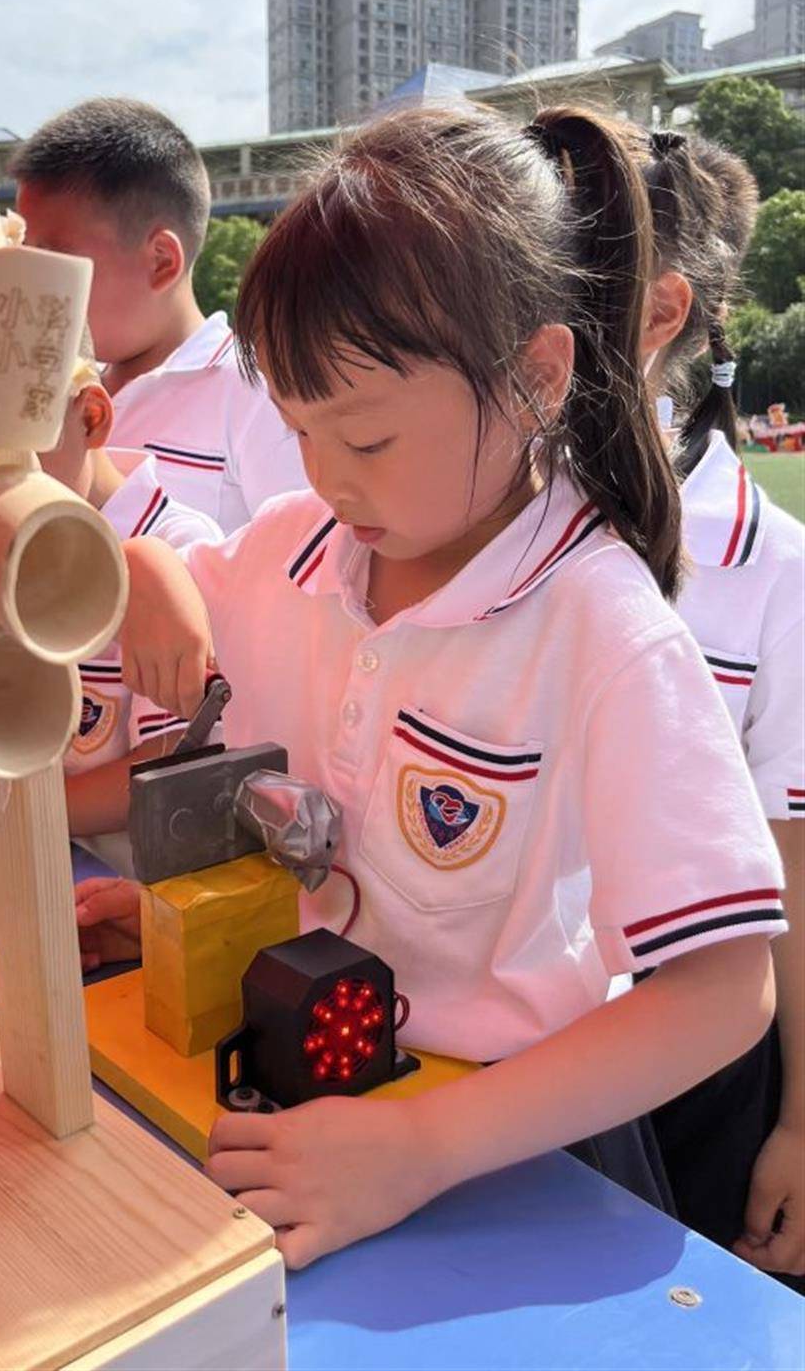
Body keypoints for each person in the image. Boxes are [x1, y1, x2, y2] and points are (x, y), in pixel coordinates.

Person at [75, 104, 785, 1270]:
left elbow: (722, 989)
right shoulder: (298, 547)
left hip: (507, 1158)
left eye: (365, 438)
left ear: (536, 379)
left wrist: (421, 1145)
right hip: (299, 1093)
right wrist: (139, 562)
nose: (324, 478)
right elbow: (185, 618)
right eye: (298, 430)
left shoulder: (599, 627)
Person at [637, 128, 804, 1283]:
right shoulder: (480, 511)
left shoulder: (772, 567)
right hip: (497, 1049)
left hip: (702, 1067)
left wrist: (800, 1123)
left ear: (658, 311)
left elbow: (790, 862)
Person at [12, 99, 307, 532]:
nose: (32, 284)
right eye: (23, 255)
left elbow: (300, 579)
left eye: (54, 262)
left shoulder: (259, 394)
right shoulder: (50, 393)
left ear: (161, 261)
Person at [40, 354, 223, 872]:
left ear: (90, 418)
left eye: (18, 453)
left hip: (130, 889)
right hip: (37, 857)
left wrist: (7, 817)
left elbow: (171, 756)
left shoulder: (181, 549)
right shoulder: (13, 545)